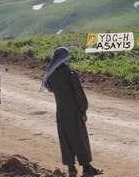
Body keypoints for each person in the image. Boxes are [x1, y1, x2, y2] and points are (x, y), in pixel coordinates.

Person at [41, 47, 103, 177]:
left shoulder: (50, 75)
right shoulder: (70, 74)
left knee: (66, 140)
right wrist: (83, 110)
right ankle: (87, 168)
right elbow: (79, 94)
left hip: (61, 112)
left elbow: (52, 89)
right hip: (73, 111)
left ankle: (71, 169)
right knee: (80, 139)